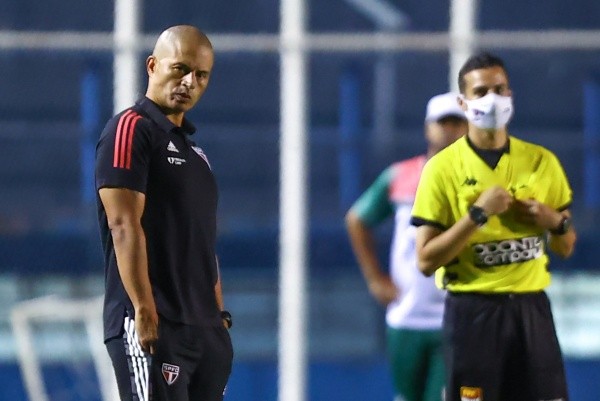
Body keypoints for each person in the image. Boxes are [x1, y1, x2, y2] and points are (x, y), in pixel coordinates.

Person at [411, 52, 577, 401]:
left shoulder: (541, 162)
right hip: (474, 312)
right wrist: (476, 216)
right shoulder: (442, 170)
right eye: (481, 91)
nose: (492, 100)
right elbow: (426, 261)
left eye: (499, 89)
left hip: (531, 310)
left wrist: (555, 222)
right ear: (463, 102)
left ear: (511, 95)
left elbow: (565, 246)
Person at [95, 25, 233, 401]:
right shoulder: (130, 129)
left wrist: (217, 319)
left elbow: (205, 243)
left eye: (201, 75)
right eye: (180, 69)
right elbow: (123, 224)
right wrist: (143, 309)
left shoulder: (197, 156)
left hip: (204, 330)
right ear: (153, 66)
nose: (190, 82)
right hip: (156, 326)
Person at [345, 92, 467, 401]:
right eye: (444, 123)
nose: (451, 130)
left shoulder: (478, 180)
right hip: (407, 314)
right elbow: (358, 219)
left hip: (455, 317)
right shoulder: (401, 177)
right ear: (428, 128)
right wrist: (375, 279)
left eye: (458, 123)